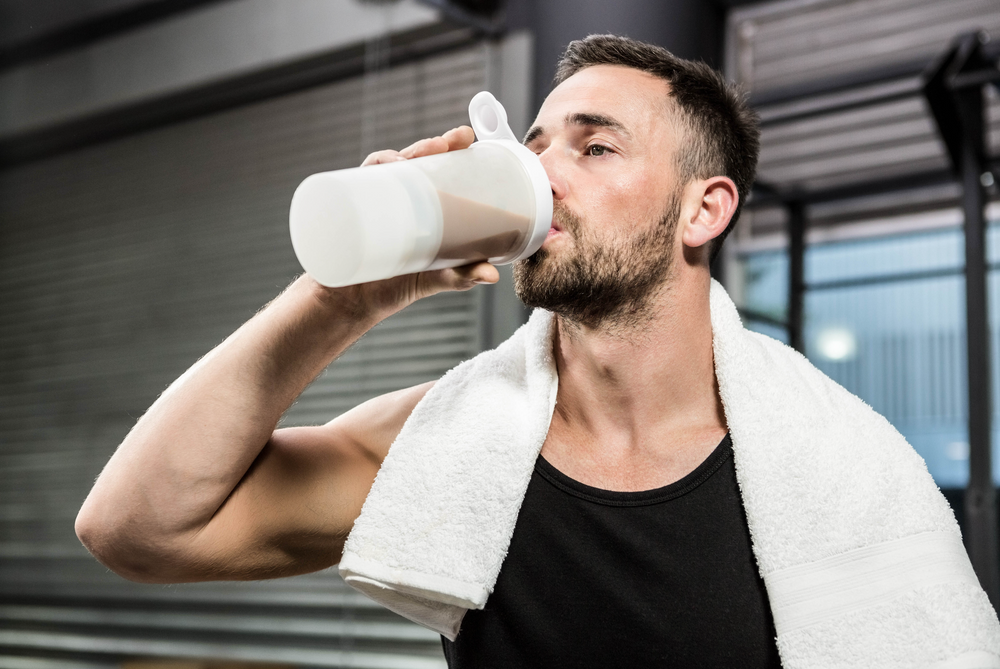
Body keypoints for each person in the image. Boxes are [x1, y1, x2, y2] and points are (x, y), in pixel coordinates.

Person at [75, 34, 896, 667]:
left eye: (594, 146)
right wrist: (346, 295)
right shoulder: (453, 439)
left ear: (703, 210)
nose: (541, 176)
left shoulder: (823, 462)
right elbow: (138, 529)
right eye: (534, 148)